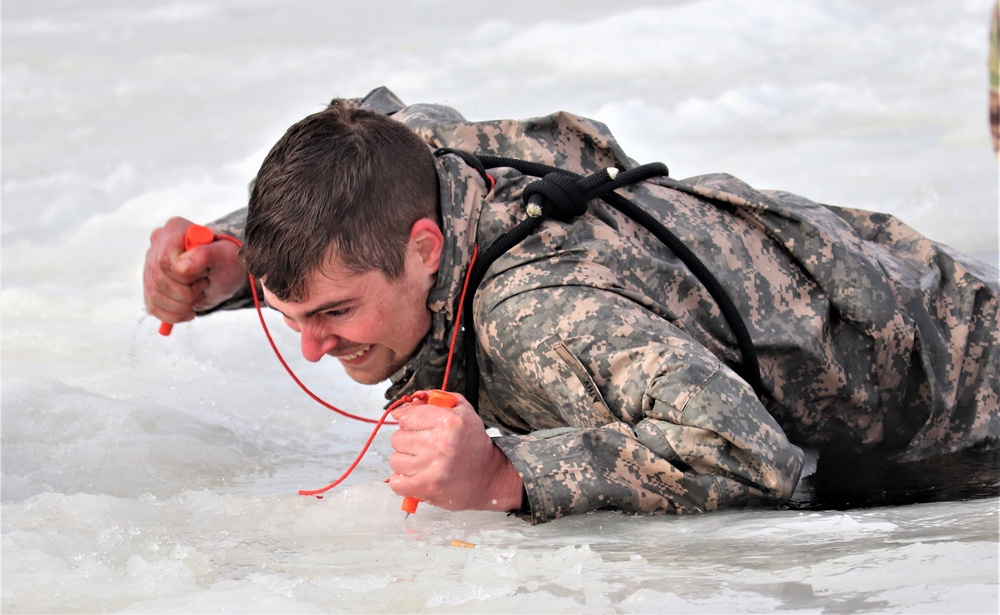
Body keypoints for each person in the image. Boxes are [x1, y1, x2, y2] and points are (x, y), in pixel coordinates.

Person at [144, 87, 1000, 524]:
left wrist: (507, 476)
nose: (313, 348)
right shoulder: (420, 163)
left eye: (333, 313)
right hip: (877, 274)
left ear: (424, 251)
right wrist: (228, 267)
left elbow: (752, 457)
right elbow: (373, 135)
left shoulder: (540, 320)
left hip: (963, 403)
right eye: (292, 315)